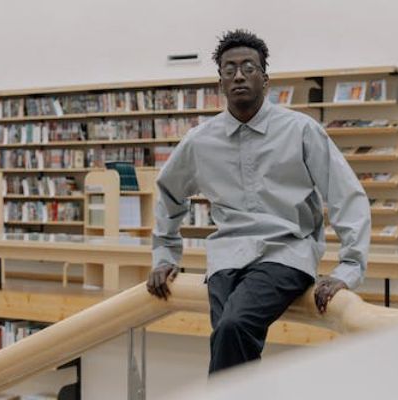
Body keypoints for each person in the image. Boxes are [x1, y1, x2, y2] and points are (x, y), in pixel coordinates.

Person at [147, 29, 371, 374]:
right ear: (220, 83)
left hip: (286, 253)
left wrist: (349, 269)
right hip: (225, 259)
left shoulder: (301, 130)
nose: (239, 75)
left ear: (265, 80)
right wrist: (165, 255)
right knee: (230, 343)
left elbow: (347, 195)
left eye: (248, 68)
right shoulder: (199, 141)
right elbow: (169, 193)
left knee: (233, 326)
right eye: (230, 69)